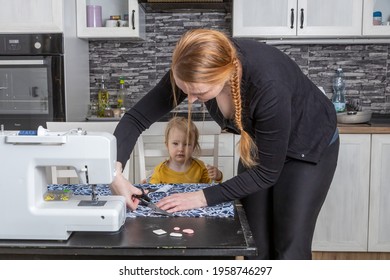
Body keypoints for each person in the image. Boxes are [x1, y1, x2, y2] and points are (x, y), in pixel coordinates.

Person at [111, 29, 339, 260]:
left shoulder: (268, 84)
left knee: (290, 247)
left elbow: (267, 173)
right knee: (255, 242)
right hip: (263, 144)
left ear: (223, 75)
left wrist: (201, 197)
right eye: (185, 90)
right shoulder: (193, 65)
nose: (189, 100)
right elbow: (136, 118)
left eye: (198, 93)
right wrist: (115, 172)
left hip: (306, 144)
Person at [146, 116, 223, 184]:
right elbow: (153, 192)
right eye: (175, 143)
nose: (181, 149)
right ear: (167, 145)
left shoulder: (200, 168)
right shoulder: (160, 171)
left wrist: (218, 176)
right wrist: (147, 186)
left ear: (193, 146)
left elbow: (211, 187)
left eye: (186, 144)